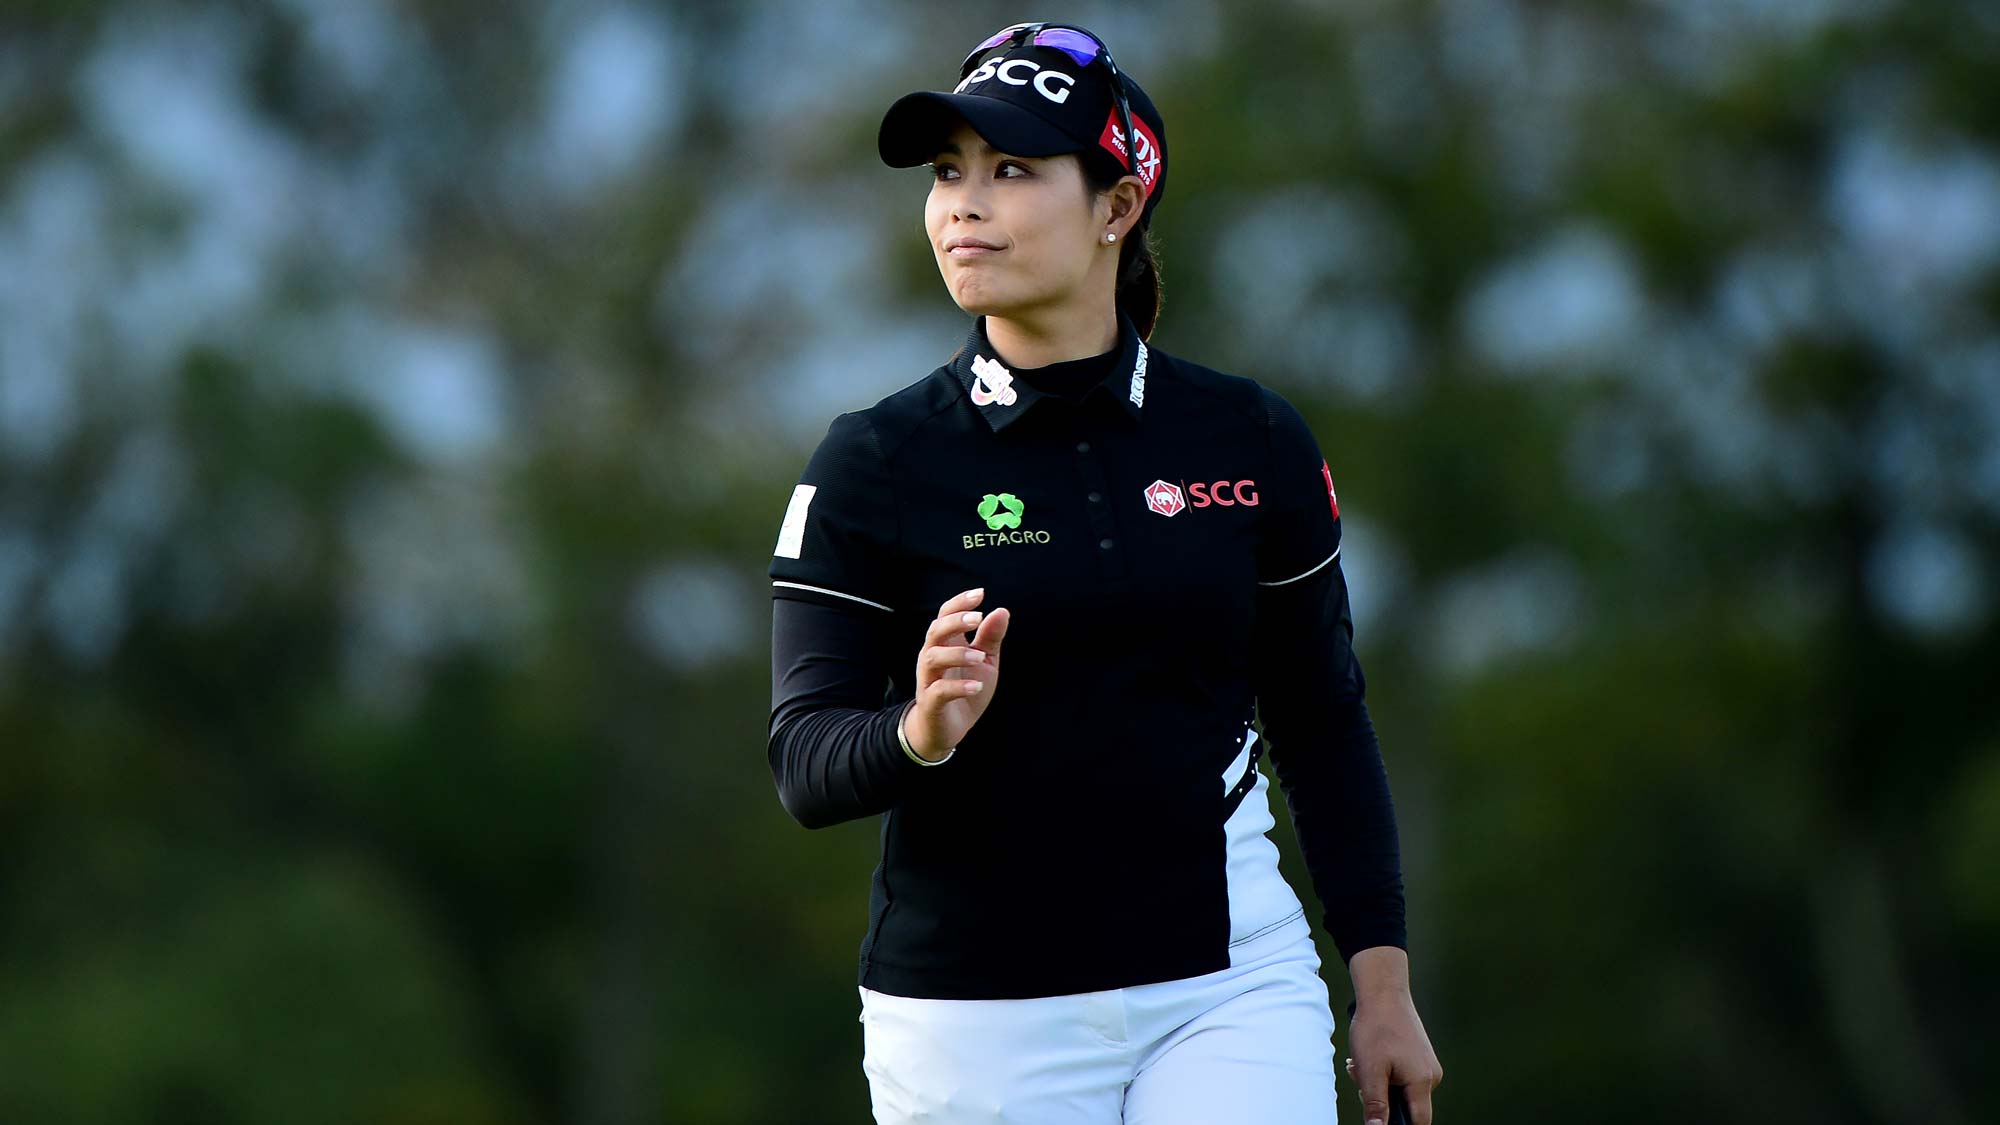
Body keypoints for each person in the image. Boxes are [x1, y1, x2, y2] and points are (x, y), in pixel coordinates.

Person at [765, 21, 1443, 1125]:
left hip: (1228, 987)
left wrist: (1381, 986)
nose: (961, 205)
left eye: (1012, 170)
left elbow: (1320, 715)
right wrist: (918, 732)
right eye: (948, 174)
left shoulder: (1248, 438)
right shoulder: (874, 462)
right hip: (971, 1022)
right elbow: (803, 760)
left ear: (1116, 209)